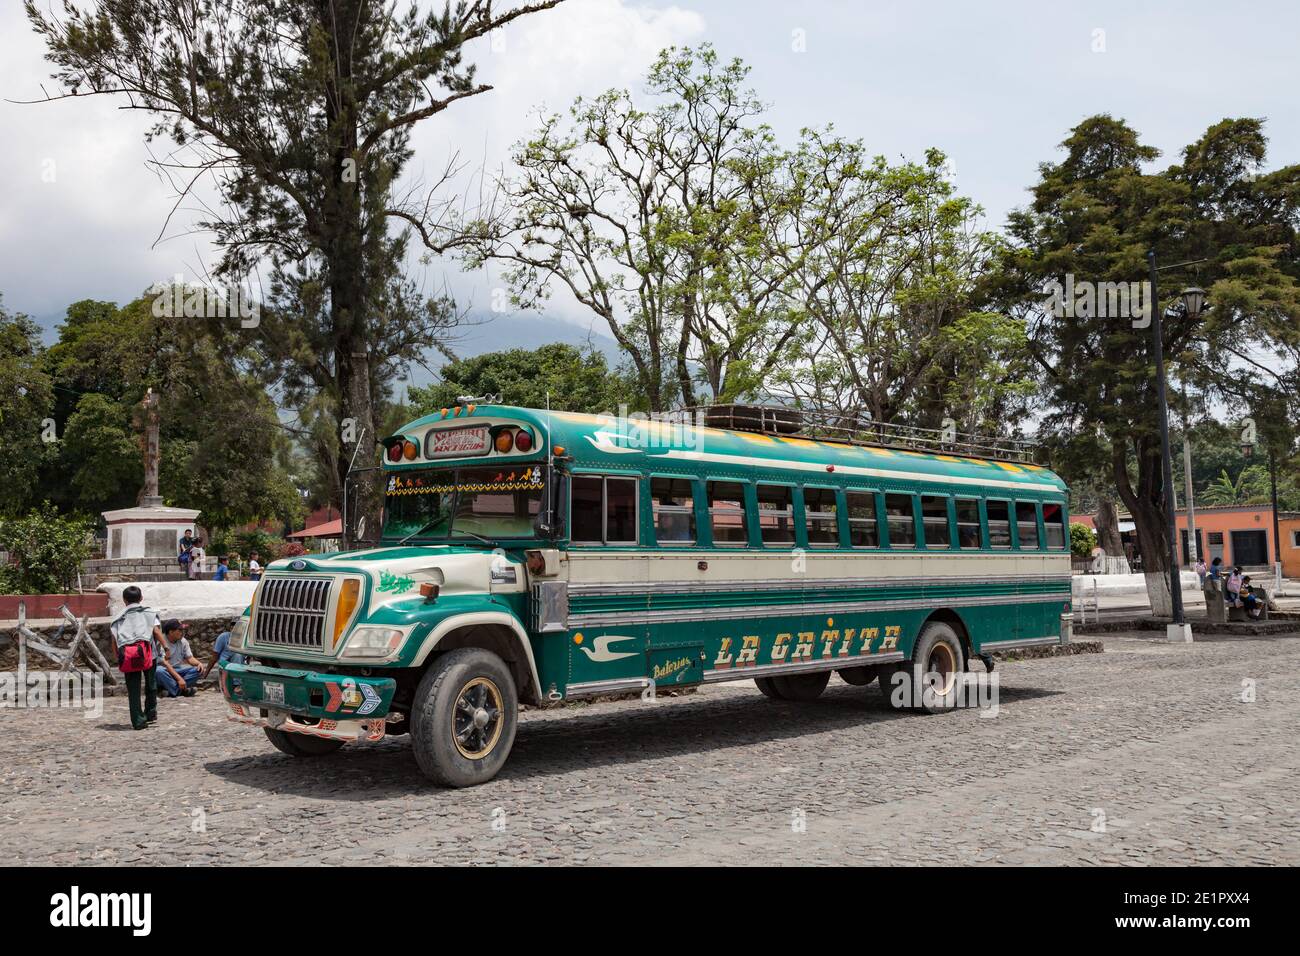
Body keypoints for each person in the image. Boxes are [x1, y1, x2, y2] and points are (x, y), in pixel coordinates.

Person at [110, 585, 161, 730]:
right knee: (151, 684)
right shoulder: (149, 613)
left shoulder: (118, 618)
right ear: (141, 598)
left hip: (128, 655)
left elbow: (114, 640)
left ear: (124, 600)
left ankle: (138, 721)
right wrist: (166, 647)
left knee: (133, 689)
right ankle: (150, 712)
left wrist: (117, 657)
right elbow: (156, 631)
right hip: (149, 655)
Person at [155, 619, 202, 697]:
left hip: (178, 670)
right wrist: (179, 679)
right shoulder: (161, 642)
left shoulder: (183, 641)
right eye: (179, 630)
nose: (182, 632)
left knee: (198, 670)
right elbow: (165, 664)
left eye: (183, 630)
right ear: (171, 632)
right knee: (158, 671)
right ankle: (183, 691)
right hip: (166, 671)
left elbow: (190, 658)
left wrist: (199, 663)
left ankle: (172, 691)